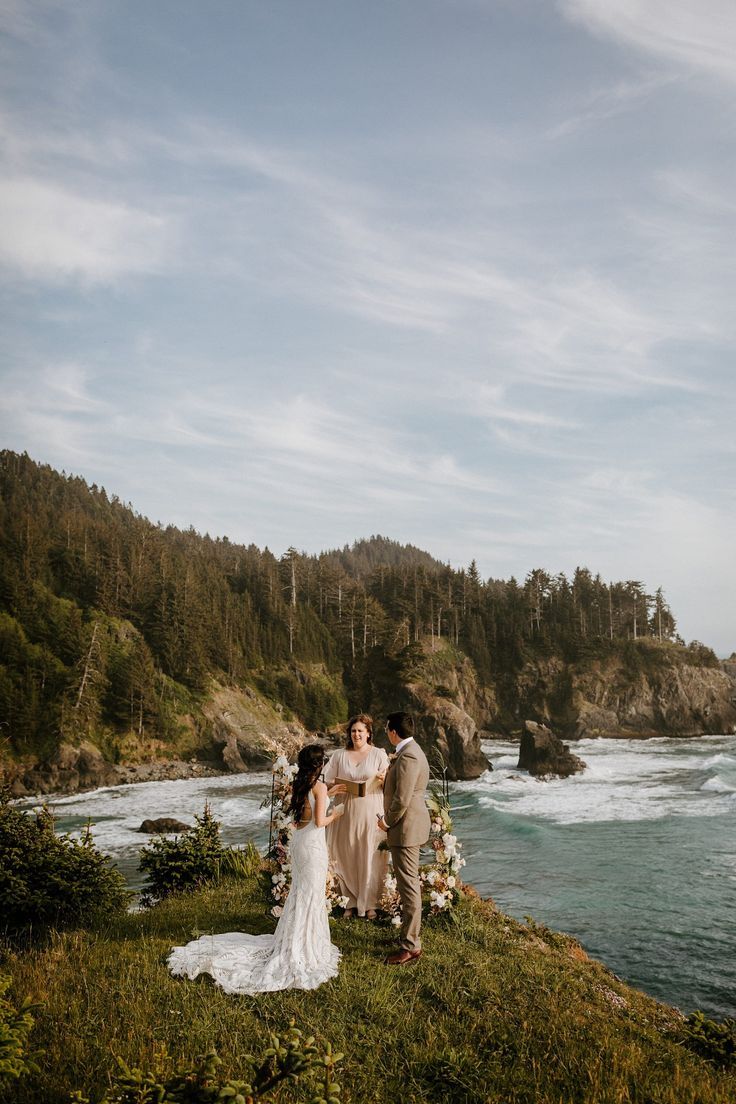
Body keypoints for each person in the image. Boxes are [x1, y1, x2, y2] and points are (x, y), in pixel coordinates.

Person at [168, 744, 344, 994]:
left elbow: (307, 810)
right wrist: (336, 813)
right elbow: (319, 820)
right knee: (311, 894)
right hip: (314, 846)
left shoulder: (301, 784)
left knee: (300, 892)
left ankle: (293, 939)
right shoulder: (320, 787)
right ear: (320, 765)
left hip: (300, 843)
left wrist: (329, 793)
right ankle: (306, 945)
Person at [323, 714, 391, 919]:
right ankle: (349, 902)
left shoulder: (379, 754)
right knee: (345, 855)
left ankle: (371, 903)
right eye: (353, 731)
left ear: (369, 733)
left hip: (371, 811)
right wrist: (335, 786)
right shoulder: (338, 755)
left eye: (361, 731)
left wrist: (383, 779)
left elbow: (391, 785)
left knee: (370, 854)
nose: (356, 734)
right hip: (345, 811)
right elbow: (325, 782)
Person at [377, 711, 431, 965]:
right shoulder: (411, 750)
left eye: (387, 728)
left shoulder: (408, 755)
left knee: (409, 887)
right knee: (407, 884)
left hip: (405, 828)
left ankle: (411, 946)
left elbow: (402, 798)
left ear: (393, 731)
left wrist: (386, 821)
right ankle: (407, 937)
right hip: (408, 827)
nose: (386, 732)